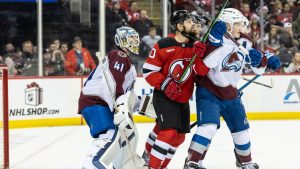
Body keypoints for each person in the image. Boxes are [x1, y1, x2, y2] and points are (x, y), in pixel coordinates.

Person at [184, 8, 281, 169]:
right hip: (209, 92)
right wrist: (214, 44)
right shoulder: (212, 39)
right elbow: (207, 65)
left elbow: (258, 69)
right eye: (237, 24)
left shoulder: (246, 41)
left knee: (241, 130)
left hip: (231, 94)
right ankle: (193, 161)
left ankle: (246, 162)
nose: (240, 28)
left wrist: (264, 61)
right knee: (208, 127)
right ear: (227, 25)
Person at [141, 10, 223, 169]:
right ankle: (152, 166)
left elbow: (201, 71)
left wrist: (201, 55)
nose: (194, 24)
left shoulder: (195, 46)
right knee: (168, 132)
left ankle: (155, 161)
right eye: (189, 21)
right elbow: (149, 71)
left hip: (183, 99)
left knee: (178, 138)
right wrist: (165, 84)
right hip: (165, 96)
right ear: (179, 26)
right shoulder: (164, 44)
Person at [78, 26, 146, 169]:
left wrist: (142, 104)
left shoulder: (125, 60)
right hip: (96, 102)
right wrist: (120, 107)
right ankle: (91, 164)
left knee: (121, 138)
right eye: (131, 38)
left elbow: (126, 93)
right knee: (109, 134)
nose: (134, 41)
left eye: (135, 38)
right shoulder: (119, 56)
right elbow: (114, 83)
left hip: (99, 102)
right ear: (121, 40)